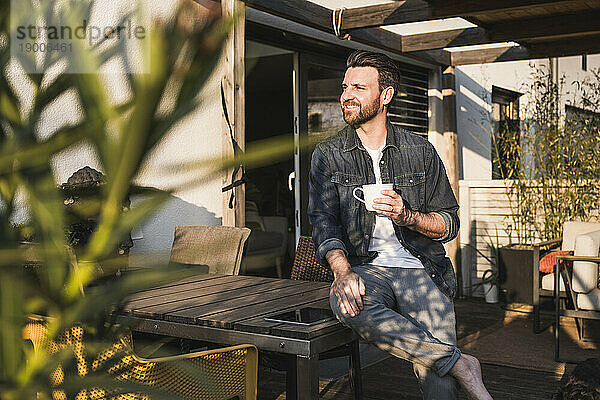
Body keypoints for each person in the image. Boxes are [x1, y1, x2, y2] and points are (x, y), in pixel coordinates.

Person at [308, 50, 492, 400]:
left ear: (386, 96)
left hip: (421, 269)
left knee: (437, 385)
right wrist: (343, 272)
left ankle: (446, 364)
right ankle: (460, 363)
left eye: (359, 88)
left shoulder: (420, 151)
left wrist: (408, 216)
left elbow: (448, 224)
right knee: (347, 302)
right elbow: (323, 222)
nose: (347, 95)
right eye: (345, 86)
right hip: (366, 269)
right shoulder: (328, 155)